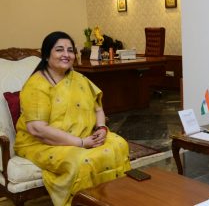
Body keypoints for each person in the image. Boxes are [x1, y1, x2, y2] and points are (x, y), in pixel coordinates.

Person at [14, 31, 131, 206]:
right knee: (82, 161)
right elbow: (37, 129)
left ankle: (114, 200)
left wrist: (101, 128)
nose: (66, 55)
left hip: (85, 135)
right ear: (47, 55)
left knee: (119, 144)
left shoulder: (79, 78)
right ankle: (84, 202)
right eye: (59, 50)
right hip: (42, 143)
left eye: (70, 50)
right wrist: (81, 143)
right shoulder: (36, 85)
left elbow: (98, 109)